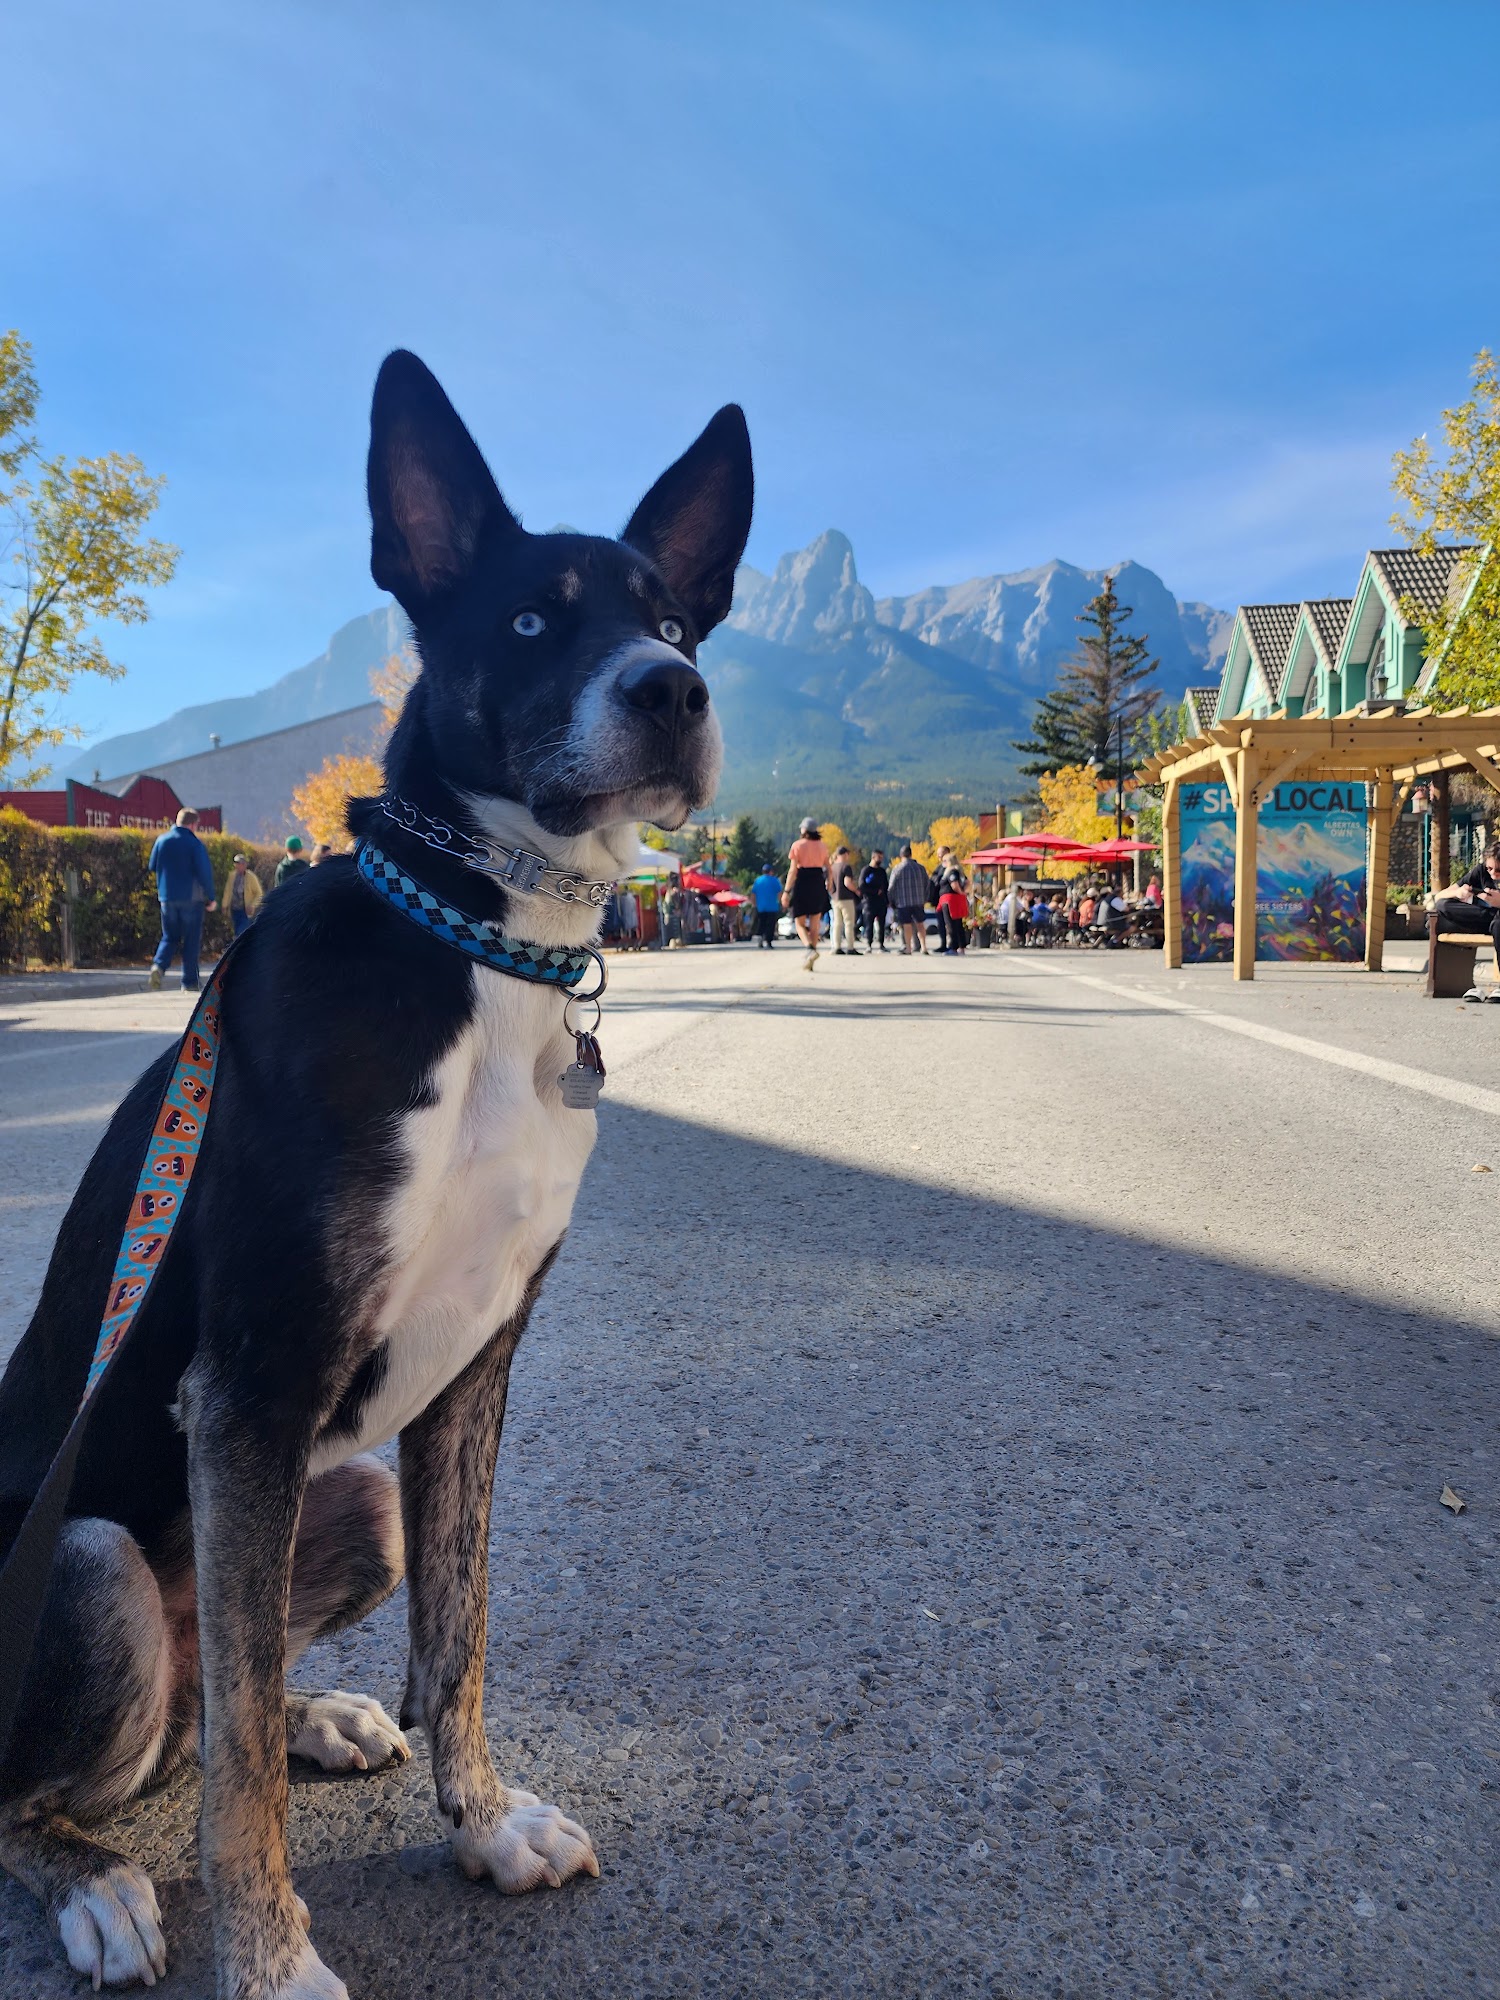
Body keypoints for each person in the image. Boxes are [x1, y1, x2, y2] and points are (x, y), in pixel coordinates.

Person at [147, 807, 218, 991]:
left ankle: (158, 966)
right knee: (191, 940)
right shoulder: (194, 844)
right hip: (191, 899)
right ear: (193, 824)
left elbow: (152, 865)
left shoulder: (161, 840)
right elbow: (204, 873)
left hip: (167, 898)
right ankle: (189, 982)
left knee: (170, 936)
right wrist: (211, 897)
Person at [1434, 839, 1500, 1000]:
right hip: (1487, 918)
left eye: (1498, 870)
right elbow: (1439, 896)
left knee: (1498, 924)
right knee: (1444, 905)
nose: (1493, 874)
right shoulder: (1481, 871)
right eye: (1490, 868)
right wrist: (1457, 893)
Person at [783, 817, 832, 969]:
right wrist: (829, 883)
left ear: (804, 830)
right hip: (818, 882)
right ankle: (811, 960)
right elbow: (829, 869)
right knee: (815, 925)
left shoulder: (797, 845)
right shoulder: (822, 846)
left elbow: (793, 870)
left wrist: (786, 891)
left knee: (799, 923)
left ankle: (810, 949)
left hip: (802, 882)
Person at [887, 844, 930, 955]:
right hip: (919, 901)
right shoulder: (920, 868)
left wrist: (891, 900)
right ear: (911, 854)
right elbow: (927, 884)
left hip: (903, 902)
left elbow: (891, 887)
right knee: (920, 924)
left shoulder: (897, 869)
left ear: (901, 855)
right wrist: (925, 898)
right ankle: (924, 947)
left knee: (907, 925)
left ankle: (908, 948)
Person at [829, 844, 862, 955]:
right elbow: (847, 883)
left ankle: (837, 946)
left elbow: (828, 883)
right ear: (845, 854)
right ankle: (850, 947)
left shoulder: (832, 867)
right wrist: (856, 890)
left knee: (837, 923)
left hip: (835, 898)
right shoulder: (846, 867)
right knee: (849, 923)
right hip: (846, 898)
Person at [224, 853, 263, 938]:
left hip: (245, 911)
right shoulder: (232, 876)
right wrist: (225, 905)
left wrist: (252, 905)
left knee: (240, 933)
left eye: (241, 864)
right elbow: (228, 891)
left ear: (245, 865)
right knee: (236, 931)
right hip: (234, 910)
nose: (238, 866)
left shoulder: (251, 877)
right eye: (236, 863)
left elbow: (259, 893)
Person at [859, 849, 890, 950]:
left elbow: (886, 886)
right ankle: (869, 944)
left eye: (881, 857)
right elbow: (862, 885)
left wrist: (887, 900)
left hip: (881, 902)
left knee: (882, 923)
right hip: (869, 901)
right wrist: (874, 891)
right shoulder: (866, 870)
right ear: (873, 857)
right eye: (879, 857)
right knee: (869, 924)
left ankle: (881, 943)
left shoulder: (882, 871)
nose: (880, 859)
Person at [929, 845, 955, 952]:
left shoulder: (952, 868)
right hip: (939, 899)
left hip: (948, 899)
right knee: (941, 923)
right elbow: (933, 879)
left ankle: (953, 945)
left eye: (940, 854)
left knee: (950, 922)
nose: (938, 856)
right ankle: (943, 944)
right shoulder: (939, 868)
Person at [751, 862, 782, 947]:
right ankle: (768, 942)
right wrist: (779, 902)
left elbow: (753, 894)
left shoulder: (758, 881)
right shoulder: (775, 880)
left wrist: (754, 904)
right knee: (771, 925)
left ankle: (760, 939)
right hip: (772, 907)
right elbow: (779, 893)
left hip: (761, 907)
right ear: (771, 871)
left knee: (761, 923)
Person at [937, 875, 970, 954]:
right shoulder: (959, 873)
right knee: (957, 924)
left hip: (950, 901)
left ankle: (954, 947)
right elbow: (967, 882)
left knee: (951, 924)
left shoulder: (952, 872)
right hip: (954, 900)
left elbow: (954, 885)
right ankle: (960, 946)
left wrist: (961, 892)